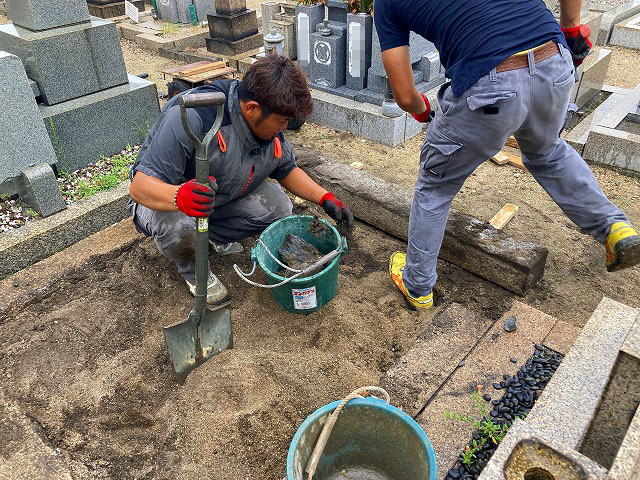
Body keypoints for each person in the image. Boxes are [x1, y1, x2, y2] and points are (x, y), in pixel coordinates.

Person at [377, 0, 640, 309]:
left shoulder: (386, 3)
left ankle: (417, 287)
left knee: (435, 187)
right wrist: (570, 27)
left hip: (489, 83)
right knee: (548, 151)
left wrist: (424, 113)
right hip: (553, 60)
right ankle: (614, 228)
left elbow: (406, 96)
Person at [128, 56, 353, 304]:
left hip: (218, 200)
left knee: (278, 205)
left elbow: (287, 169)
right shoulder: (194, 116)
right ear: (252, 109)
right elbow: (140, 188)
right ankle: (195, 272)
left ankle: (211, 237)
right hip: (166, 204)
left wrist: (326, 198)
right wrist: (178, 197)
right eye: (281, 121)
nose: (283, 129)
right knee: (179, 226)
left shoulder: (269, 121)